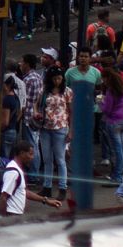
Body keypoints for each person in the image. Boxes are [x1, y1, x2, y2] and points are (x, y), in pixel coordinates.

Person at [0, 140, 63, 216]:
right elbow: (3, 197)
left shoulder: (18, 169)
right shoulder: (13, 172)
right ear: (22, 153)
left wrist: (47, 201)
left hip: (16, 214)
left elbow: (24, 191)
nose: (32, 157)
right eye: (30, 154)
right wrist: (4, 220)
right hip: (11, 214)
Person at [36, 68, 70, 201]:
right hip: (45, 128)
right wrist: (36, 113)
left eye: (59, 78)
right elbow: (36, 104)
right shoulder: (44, 91)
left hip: (60, 128)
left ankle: (62, 187)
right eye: (55, 78)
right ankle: (47, 187)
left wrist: (71, 130)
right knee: (47, 159)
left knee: (60, 159)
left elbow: (71, 111)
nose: (57, 81)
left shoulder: (67, 91)